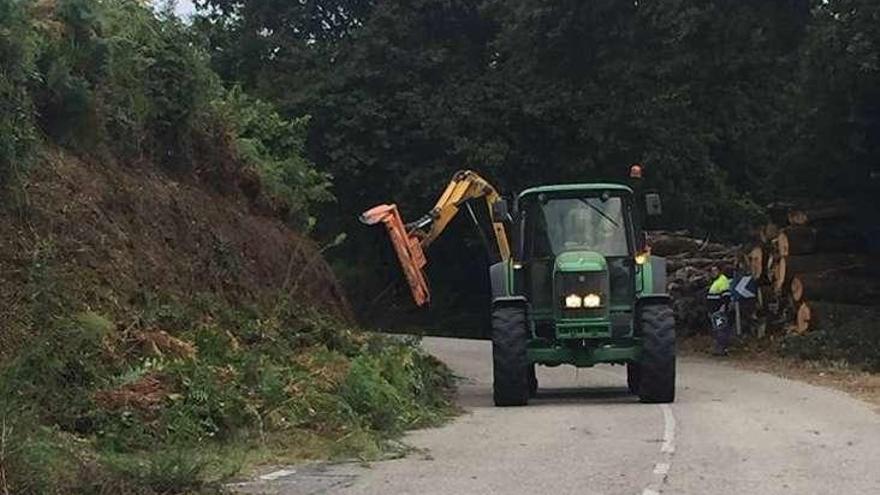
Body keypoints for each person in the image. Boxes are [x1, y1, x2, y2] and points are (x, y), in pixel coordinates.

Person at [707, 265, 732, 356]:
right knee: (716, 330)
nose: (713, 273)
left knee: (721, 329)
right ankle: (717, 348)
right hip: (714, 310)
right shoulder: (715, 281)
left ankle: (722, 349)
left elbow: (726, 296)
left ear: (720, 271)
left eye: (715, 271)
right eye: (712, 271)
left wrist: (723, 307)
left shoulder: (722, 280)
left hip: (719, 310)